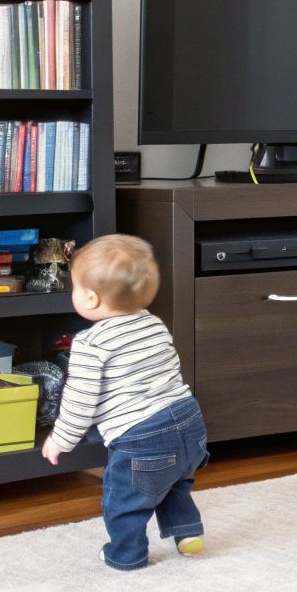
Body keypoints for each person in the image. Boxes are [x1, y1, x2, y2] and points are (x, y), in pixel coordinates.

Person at [41, 235, 211, 570]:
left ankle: (127, 554)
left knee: (124, 499)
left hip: (142, 436)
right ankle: (187, 532)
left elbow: (80, 402)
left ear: (90, 298)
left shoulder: (90, 343)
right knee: (175, 480)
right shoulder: (155, 324)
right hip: (189, 421)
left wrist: (60, 439)